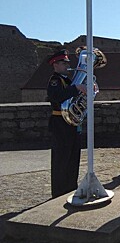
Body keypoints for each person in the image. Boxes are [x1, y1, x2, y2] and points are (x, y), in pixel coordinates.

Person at [47, 49, 87, 198]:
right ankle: (59, 192)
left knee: (72, 157)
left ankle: (70, 188)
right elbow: (56, 96)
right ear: (55, 65)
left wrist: (89, 90)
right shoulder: (55, 80)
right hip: (60, 123)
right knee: (61, 159)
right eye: (63, 63)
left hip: (71, 123)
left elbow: (75, 95)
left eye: (67, 63)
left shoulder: (68, 81)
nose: (66, 66)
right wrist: (76, 88)